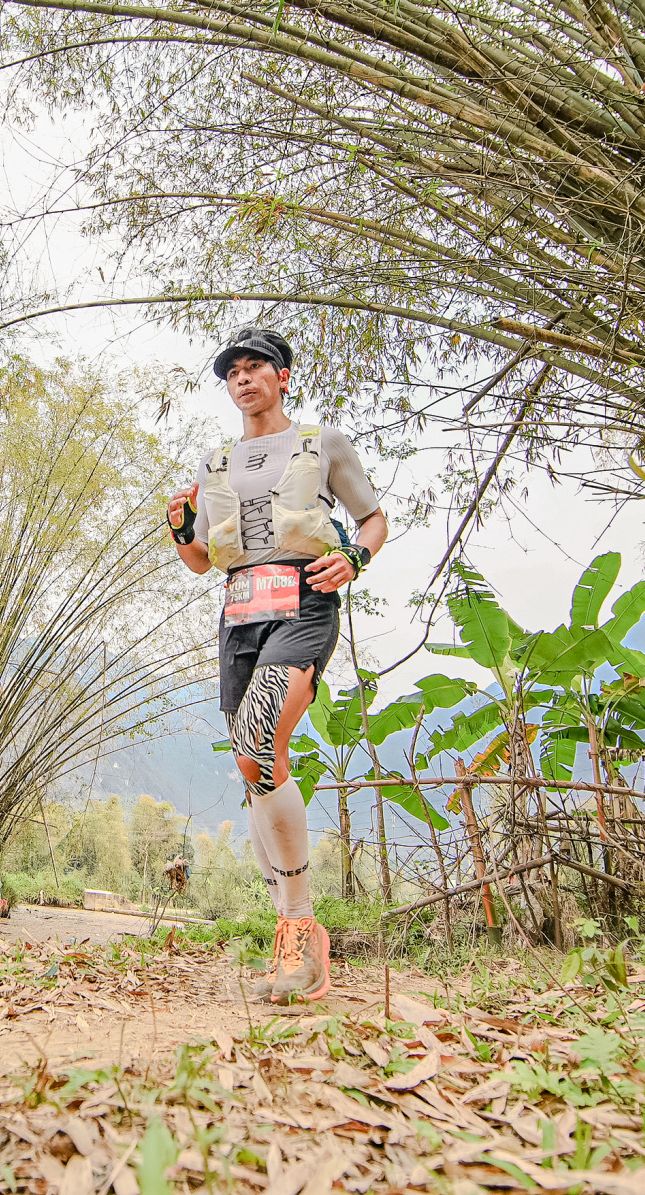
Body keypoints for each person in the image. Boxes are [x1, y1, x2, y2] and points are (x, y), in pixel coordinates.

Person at [167, 327, 387, 1004]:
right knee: (251, 762)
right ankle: (287, 929)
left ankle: (300, 929)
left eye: (255, 365)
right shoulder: (215, 462)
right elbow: (202, 561)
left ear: (282, 376)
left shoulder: (323, 444)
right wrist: (180, 529)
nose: (243, 376)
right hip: (240, 613)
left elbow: (374, 519)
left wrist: (354, 558)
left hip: (304, 601)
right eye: (232, 370)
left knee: (261, 743)